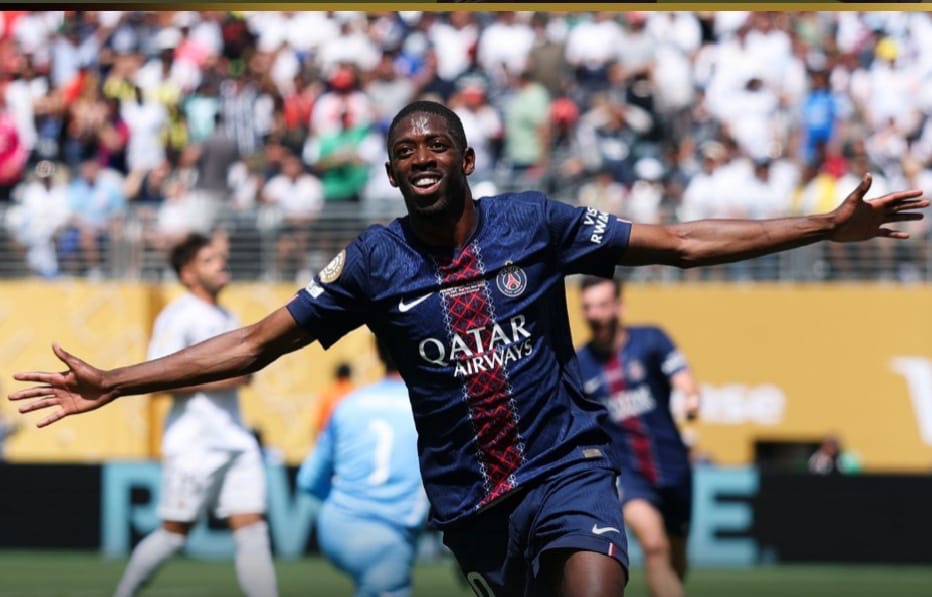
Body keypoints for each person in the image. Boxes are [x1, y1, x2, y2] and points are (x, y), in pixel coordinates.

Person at [8, 100, 927, 597]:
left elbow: (681, 241)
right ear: (389, 169)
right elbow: (255, 343)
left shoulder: (536, 223)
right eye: (406, 147)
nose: (421, 155)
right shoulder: (372, 262)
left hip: (568, 467)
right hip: (472, 506)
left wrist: (821, 226)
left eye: (436, 142)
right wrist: (118, 381)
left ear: (466, 158)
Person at [111, 233, 278, 597]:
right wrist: (224, 378)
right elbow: (157, 381)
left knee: (252, 529)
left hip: (235, 438)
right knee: (174, 534)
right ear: (188, 274)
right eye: (208, 260)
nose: (221, 264)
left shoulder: (229, 316)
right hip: (194, 442)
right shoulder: (178, 316)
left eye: (219, 258)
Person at [576, 276, 700, 597]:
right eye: (587, 307)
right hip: (627, 472)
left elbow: (683, 379)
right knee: (654, 545)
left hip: (673, 466)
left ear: (620, 306)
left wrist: (690, 398)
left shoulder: (651, 340)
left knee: (676, 560)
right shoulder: (580, 365)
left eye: (602, 305)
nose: (595, 314)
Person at [297, 339, 427, 597]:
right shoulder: (430, 408)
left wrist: (349, 504)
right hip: (388, 534)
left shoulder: (348, 404)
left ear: (377, 352)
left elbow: (308, 479)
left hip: (335, 525)